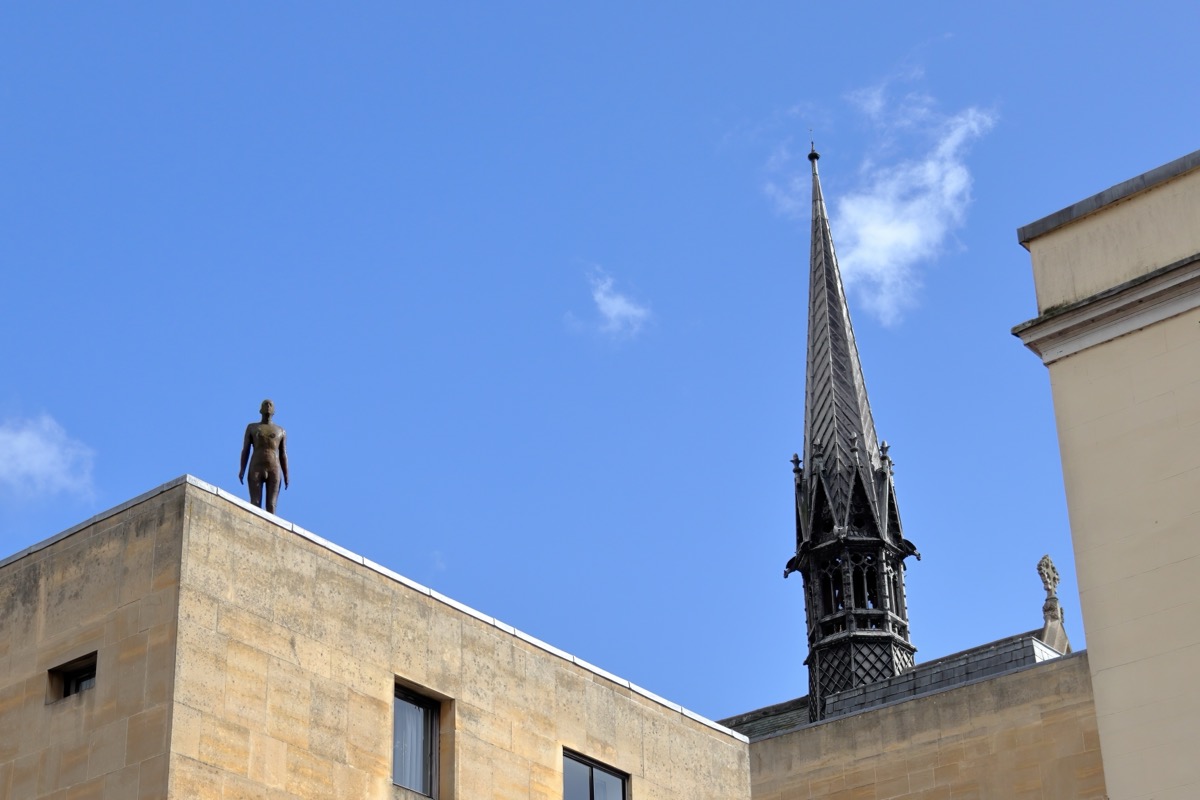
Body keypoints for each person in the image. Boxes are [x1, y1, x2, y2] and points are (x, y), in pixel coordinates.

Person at [239, 399, 289, 513]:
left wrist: (286, 474)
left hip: (274, 468)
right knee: (255, 503)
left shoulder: (281, 431)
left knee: (271, 505)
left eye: (270, 405)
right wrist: (242, 469)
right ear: (260, 410)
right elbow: (245, 450)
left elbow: (283, 454)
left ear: (274, 411)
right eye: (265, 404)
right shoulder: (252, 428)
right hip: (256, 467)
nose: (268, 406)